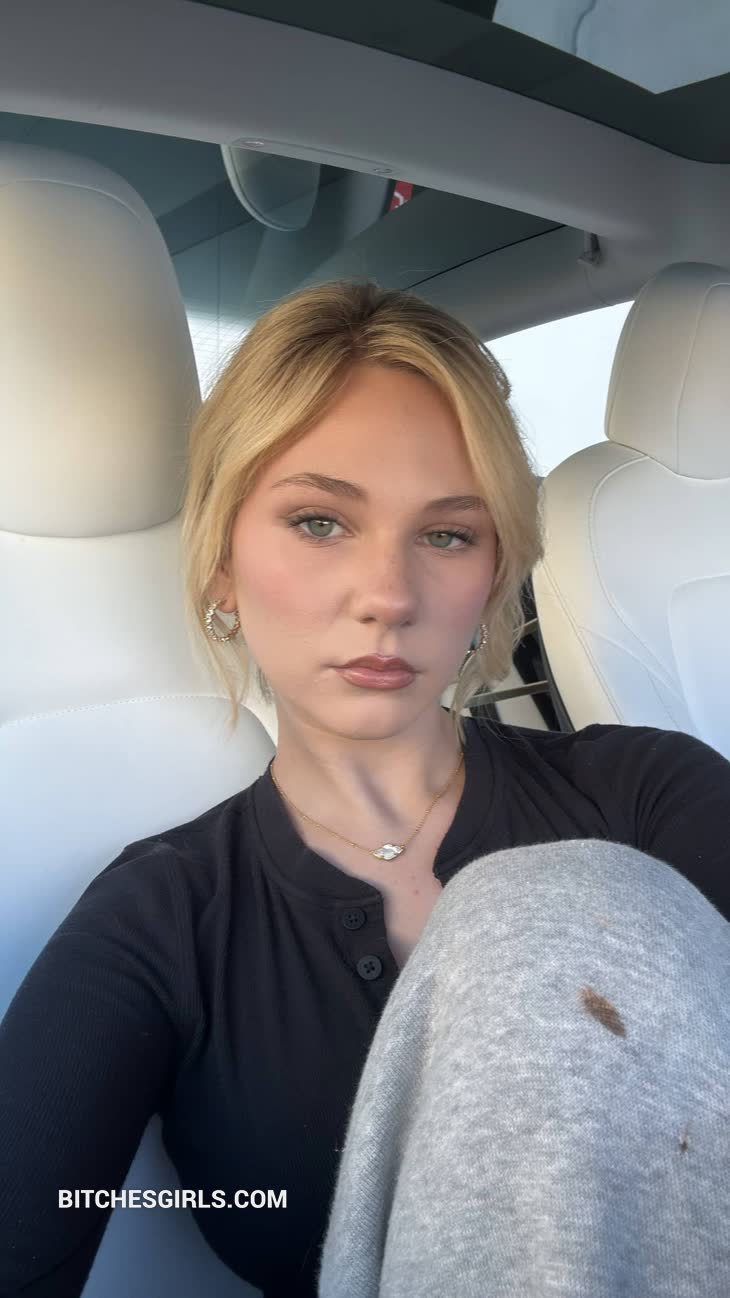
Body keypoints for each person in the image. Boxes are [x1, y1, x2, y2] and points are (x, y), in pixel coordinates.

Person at [0, 279, 728, 1298]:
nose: (388, 595)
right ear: (222, 562)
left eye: (447, 534)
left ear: (493, 573)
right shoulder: (160, 918)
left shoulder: (649, 795)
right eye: (319, 521)